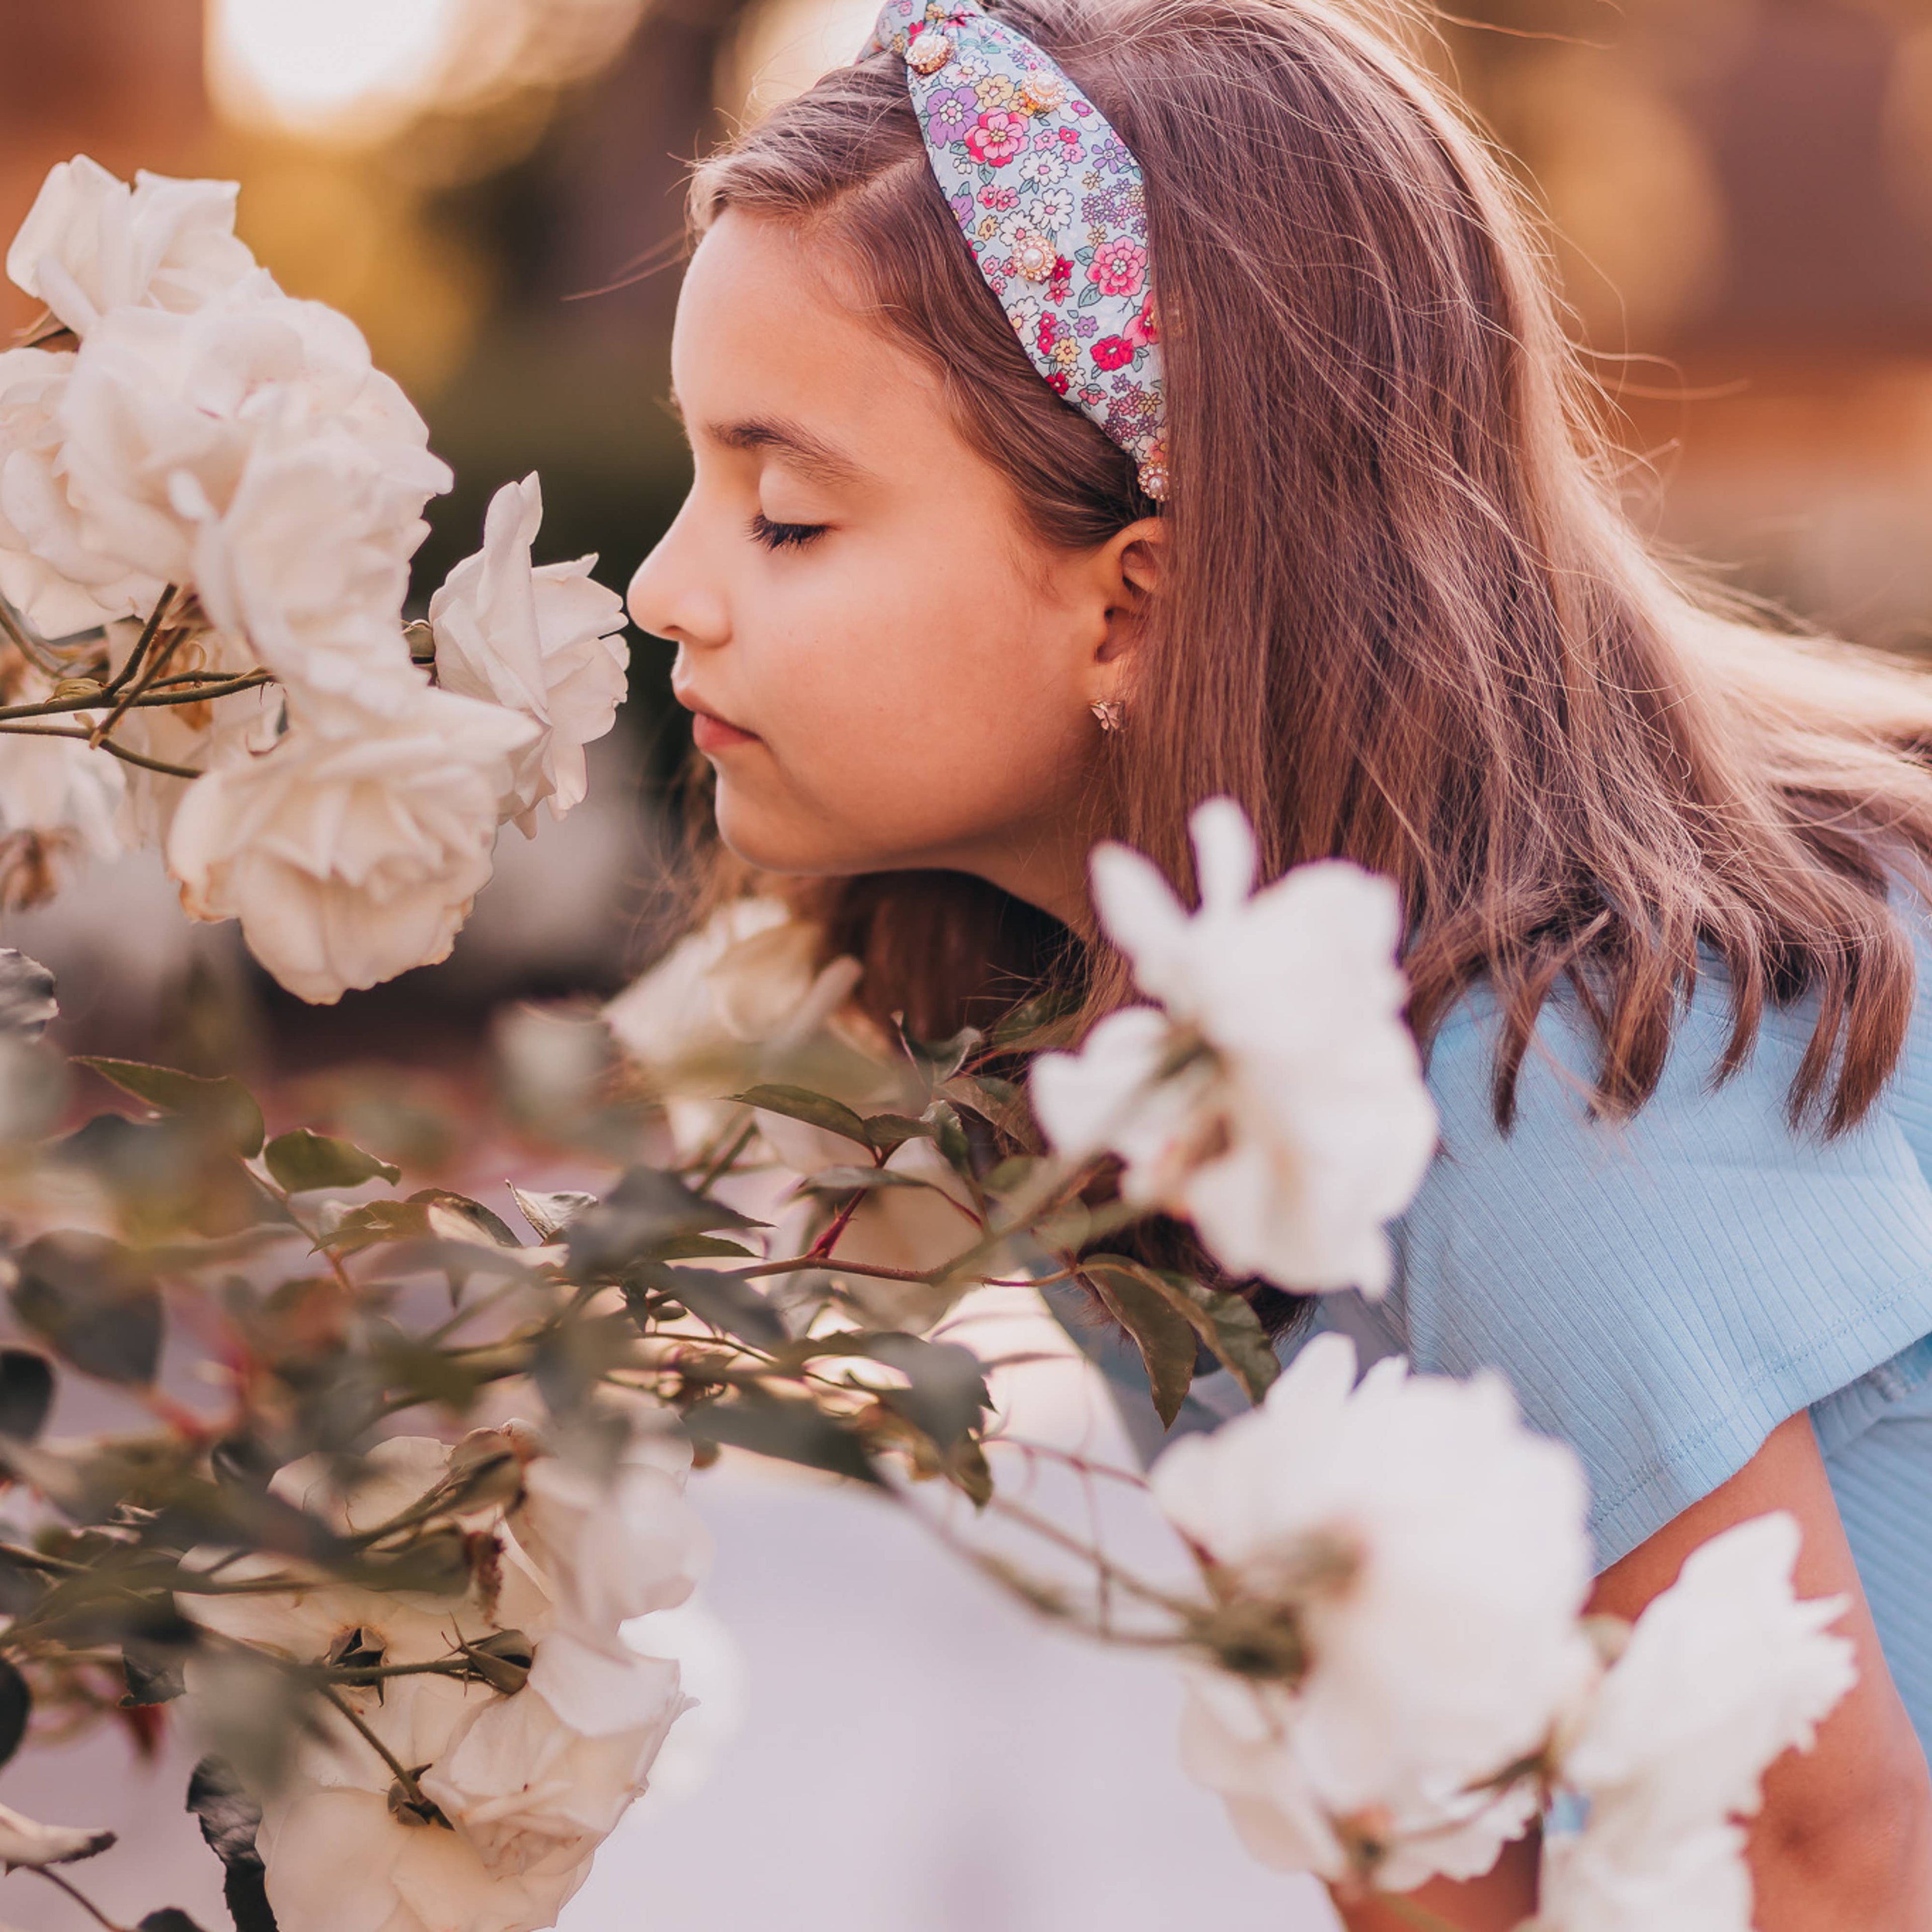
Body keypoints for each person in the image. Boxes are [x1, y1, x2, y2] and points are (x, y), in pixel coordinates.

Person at [622, 0, 1932, 1920]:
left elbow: (1820, 1850)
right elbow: (1426, 1837)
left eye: (787, 514)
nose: (666, 585)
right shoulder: (1123, 1065)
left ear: (1134, 606)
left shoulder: (1543, 1082)